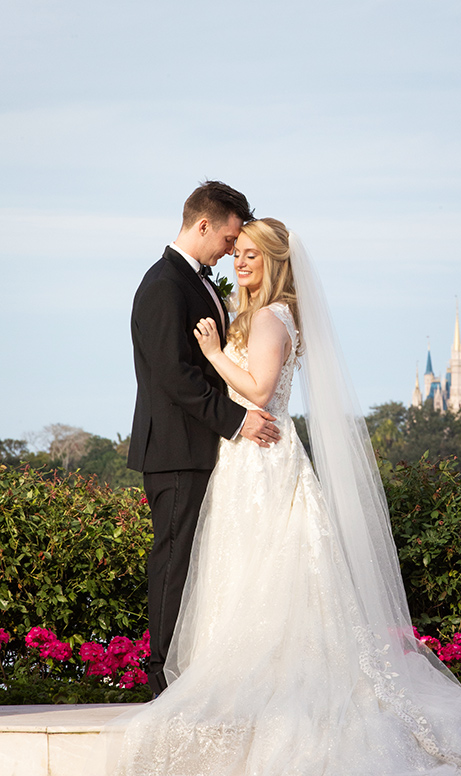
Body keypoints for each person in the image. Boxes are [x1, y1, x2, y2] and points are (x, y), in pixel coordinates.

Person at [104, 218, 461, 776]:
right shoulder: (249, 312)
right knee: (237, 569)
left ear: (275, 262)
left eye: (252, 255)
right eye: (238, 252)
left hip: (263, 456)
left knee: (271, 569)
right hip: (241, 458)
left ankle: (267, 684)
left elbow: (258, 389)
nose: (240, 261)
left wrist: (211, 353)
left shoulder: (273, 316)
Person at [127, 181, 280, 693]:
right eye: (230, 238)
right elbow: (174, 374)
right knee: (173, 561)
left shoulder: (196, 282)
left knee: (196, 562)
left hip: (201, 448)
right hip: (174, 450)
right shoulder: (164, 285)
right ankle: (162, 677)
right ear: (203, 225)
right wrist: (237, 421)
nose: (232, 250)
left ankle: (187, 670)